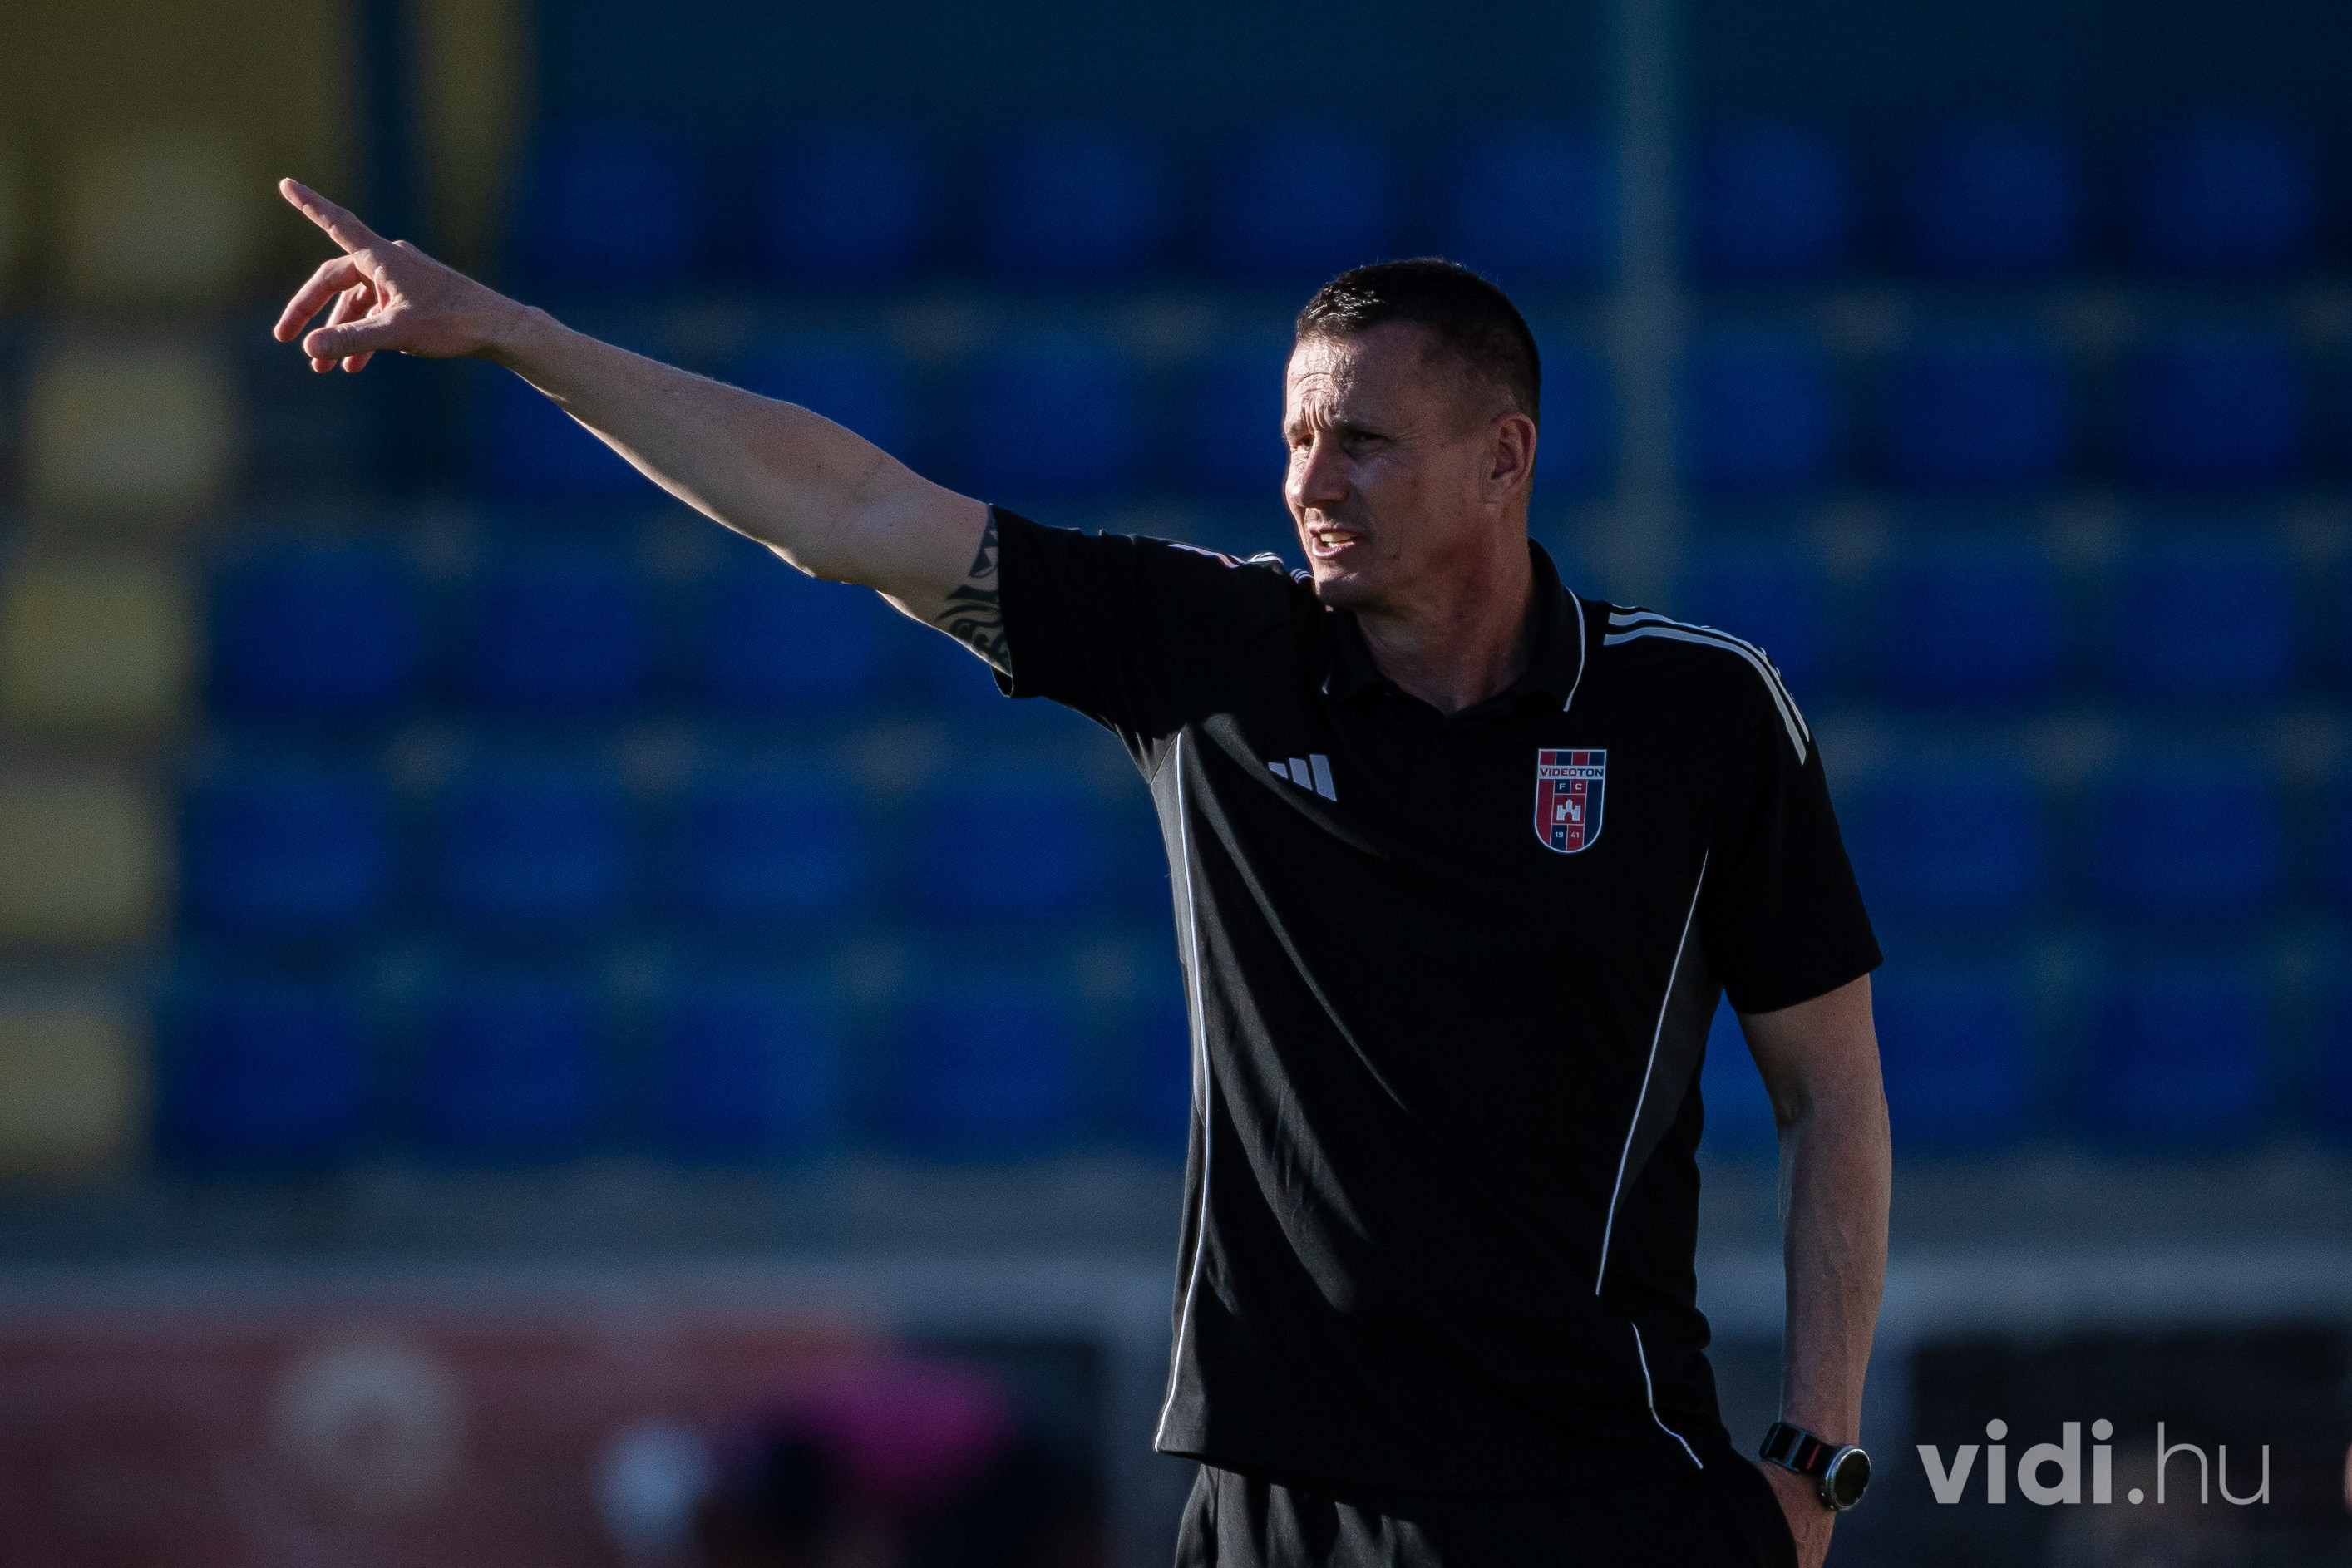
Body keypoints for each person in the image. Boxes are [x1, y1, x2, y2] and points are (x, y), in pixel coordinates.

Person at [271, 178, 1891, 1568]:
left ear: (1502, 455)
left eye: (1364, 442)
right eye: (1295, 438)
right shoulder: (1214, 651)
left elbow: (1829, 1096)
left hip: (1606, 1490)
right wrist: (519, 335)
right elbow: (845, 511)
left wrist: (1814, 1461)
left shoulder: (1701, 714)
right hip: (1283, 1502)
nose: (1310, 482)